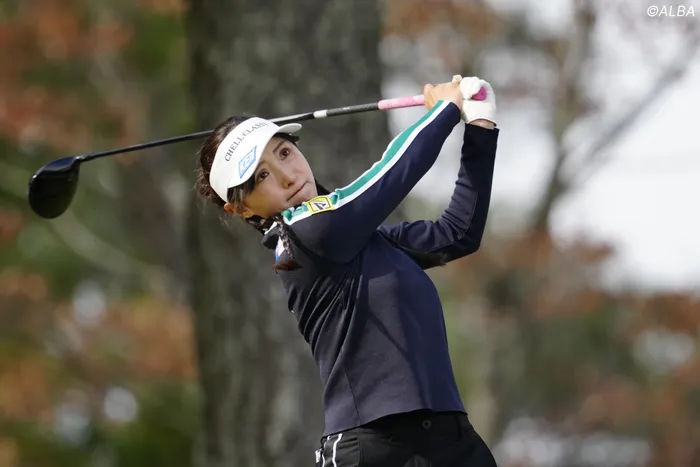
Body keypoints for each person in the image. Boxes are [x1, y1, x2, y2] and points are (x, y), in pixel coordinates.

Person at [196, 76, 500, 467]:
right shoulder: (302, 237)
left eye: (284, 153)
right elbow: (389, 174)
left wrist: (480, 127)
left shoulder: (369, 241)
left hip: (451, 440)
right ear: (242, 209)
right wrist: (443, 111)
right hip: (371, 449)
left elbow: (457, 233)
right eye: (261, 176)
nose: (287, 175)